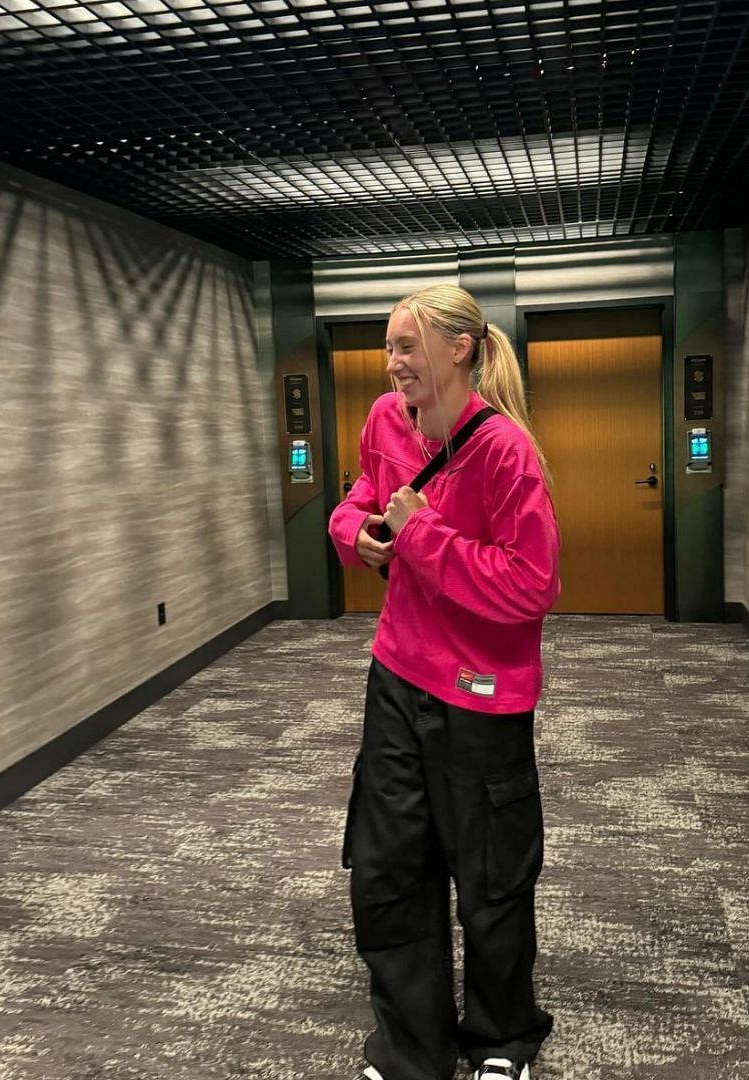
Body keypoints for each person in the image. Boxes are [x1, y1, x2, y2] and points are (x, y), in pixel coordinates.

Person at [327, 284, 561, 1080]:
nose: (392, 364)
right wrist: (356, 532)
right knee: (390, 865)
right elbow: (360, 499)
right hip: (397, 673)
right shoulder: (386, 422)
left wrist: (420, 532)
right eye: (388, 347)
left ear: (459, 348)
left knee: (491, 875)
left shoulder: (505, 451)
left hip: (482, 694)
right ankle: (411, 1048)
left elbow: (531, 585)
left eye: (405, 346)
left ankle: (501, 1038)